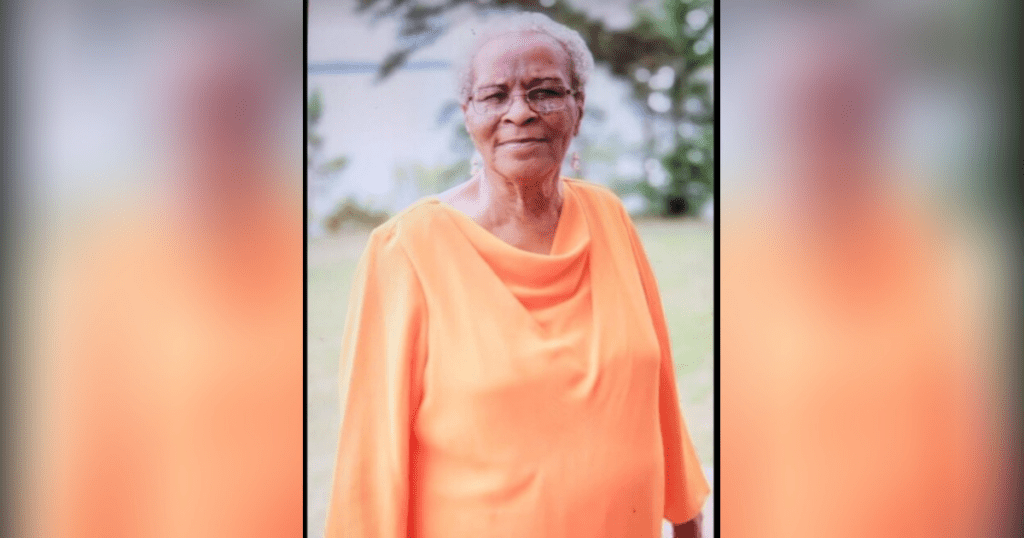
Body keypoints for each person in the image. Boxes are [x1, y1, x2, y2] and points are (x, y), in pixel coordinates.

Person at [326, 12, 709, 538]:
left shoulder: (609, 216)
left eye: (545, 91)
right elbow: (369, 460)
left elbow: (659, 396)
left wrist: (688, 522)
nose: (520, 113)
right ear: (468, 114)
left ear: (579, 106)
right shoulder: (405, 250)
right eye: (495, 95)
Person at [720, 12, 993, 538]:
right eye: (802, 116)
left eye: (844, 113)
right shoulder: (740, 264)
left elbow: (977, 463)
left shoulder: (947, 258)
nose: (822, 139)